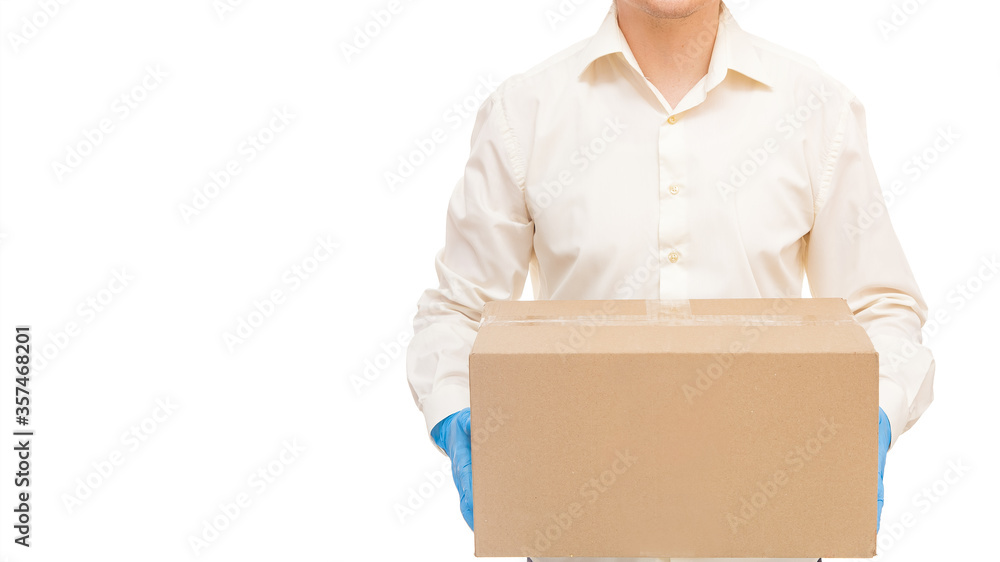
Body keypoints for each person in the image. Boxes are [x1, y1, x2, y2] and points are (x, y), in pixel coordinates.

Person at [405, 1, 935, 561]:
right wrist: (455, 409)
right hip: (579, 539)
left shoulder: (816, 109)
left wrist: (872, 408)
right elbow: (460, 311)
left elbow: (882, 307)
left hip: (770, 535)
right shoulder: (526, 112)